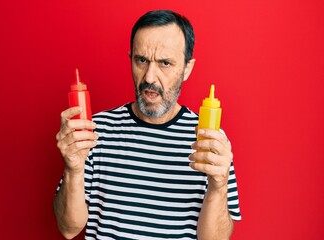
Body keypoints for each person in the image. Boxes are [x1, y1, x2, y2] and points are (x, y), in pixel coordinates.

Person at [54, 9, 241, 240]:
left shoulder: (209, 141)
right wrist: (73, 170)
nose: (150, 77)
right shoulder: (94, 130)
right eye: (141, 60)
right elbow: (69, 229)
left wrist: (218, 186)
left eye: (165, 63)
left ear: (187, 68)